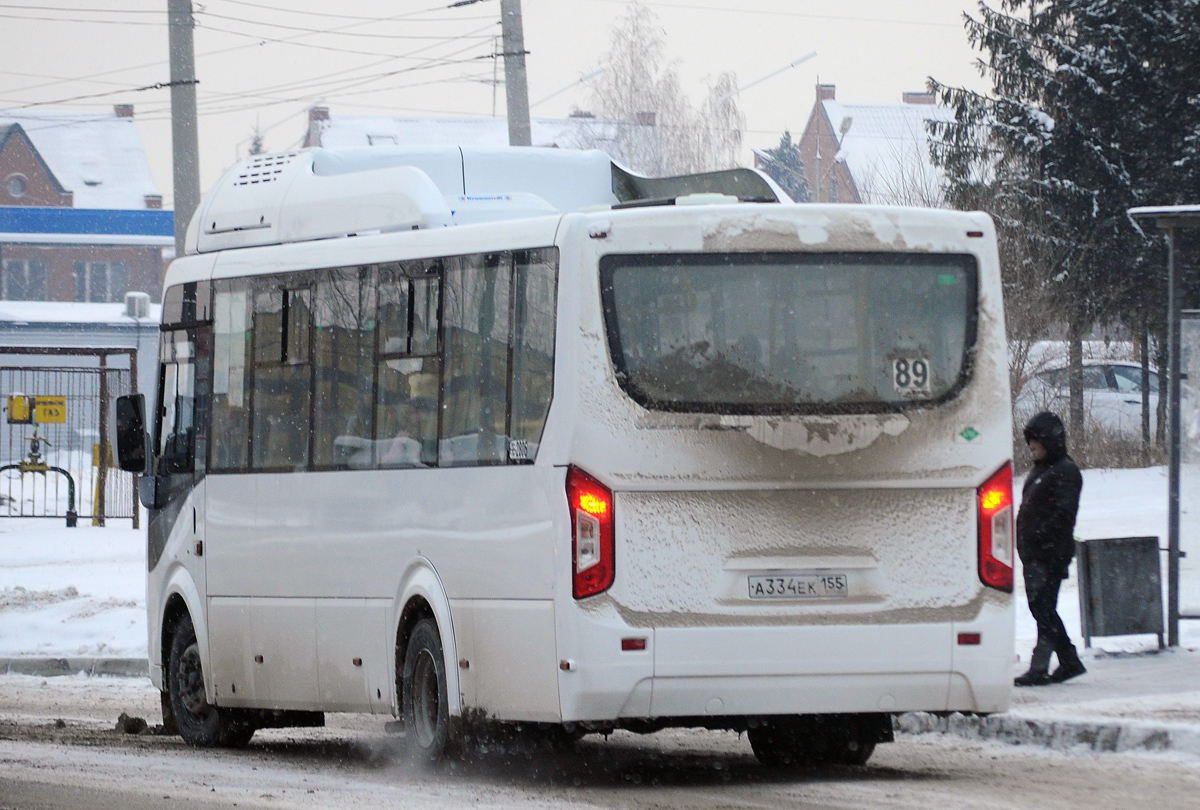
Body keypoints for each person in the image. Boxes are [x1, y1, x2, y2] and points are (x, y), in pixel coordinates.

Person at [1014, 411, 1087, 686]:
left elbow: (1064, 515)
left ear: (1049, 442)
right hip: (1037, 554)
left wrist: (1039, 537)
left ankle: (1042, 666)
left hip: (1050, 554)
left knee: (1043, 609)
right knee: (1042, 608)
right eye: (1029, 442)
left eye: (1036, 442)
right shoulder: (1042, 470)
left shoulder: (1065, 471)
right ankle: (1068, 661)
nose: (1031, 447)